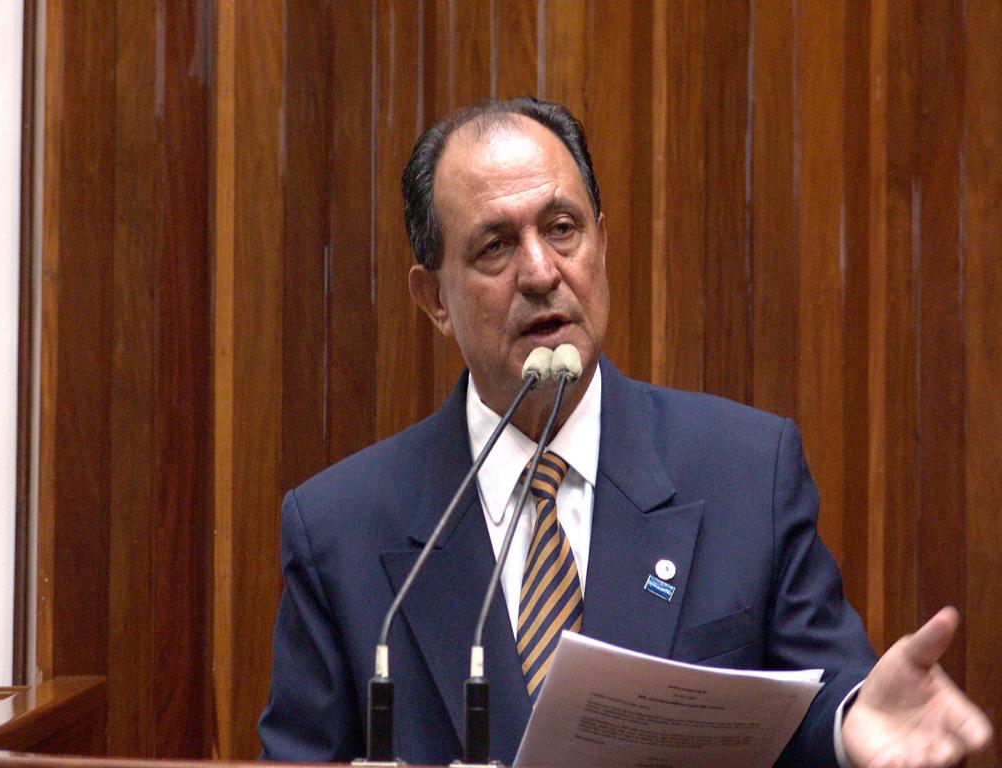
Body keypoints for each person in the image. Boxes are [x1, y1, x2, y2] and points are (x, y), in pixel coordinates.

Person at [258, 98, 993, 767]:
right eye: (495, 246)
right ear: (434, 300)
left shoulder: (745, 471)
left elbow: (821, 700)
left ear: (601, 243)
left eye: (562, 229)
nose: (541, 271)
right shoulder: (339, 529)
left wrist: (853, 724)